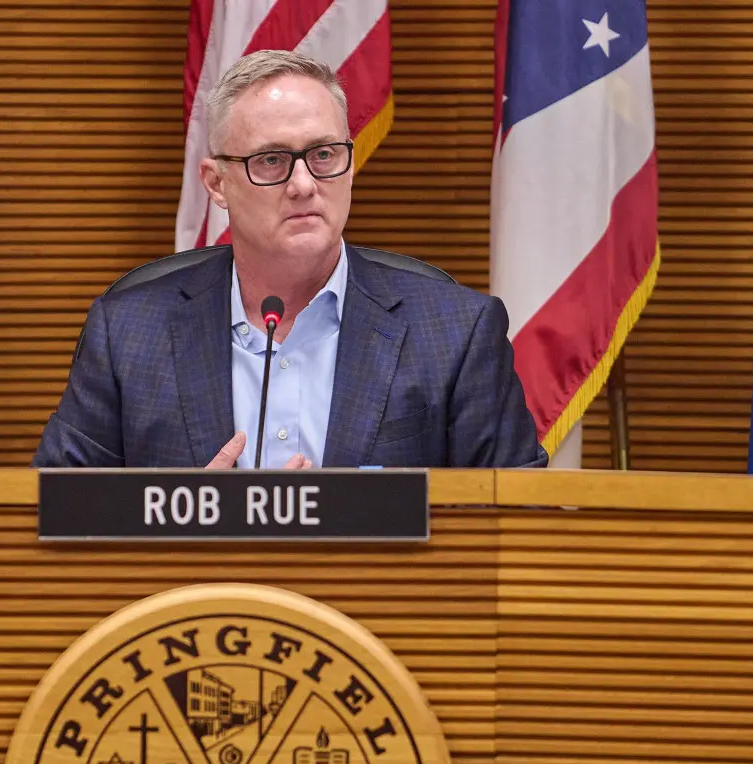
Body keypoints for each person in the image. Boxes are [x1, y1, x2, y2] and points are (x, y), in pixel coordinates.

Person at [33, 50, 546, 470]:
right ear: (217, 184)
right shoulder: (126, 335)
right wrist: (180, 520)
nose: (304, 185)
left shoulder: (457, 334)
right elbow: (52, 517)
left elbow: (520, 525)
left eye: (323, 155)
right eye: (271, 161)